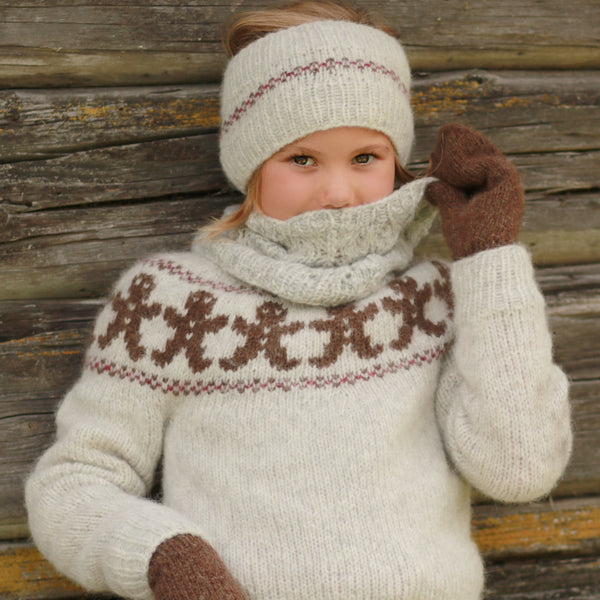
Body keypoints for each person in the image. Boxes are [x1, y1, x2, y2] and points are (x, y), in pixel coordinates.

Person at [25, 2, 572, 599]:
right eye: (302, 159)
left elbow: (519, 469)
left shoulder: (434, 298)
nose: (338, 192)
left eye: (365, 158)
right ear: (252, 164)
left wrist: (489, 258)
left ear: (396, 162)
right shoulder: (171, 303)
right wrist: (164, 557)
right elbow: (74, 485)